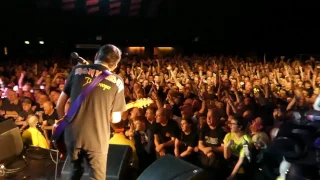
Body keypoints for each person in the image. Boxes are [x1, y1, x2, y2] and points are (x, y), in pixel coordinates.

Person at [56, 44, 126, 180]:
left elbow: (60, 105)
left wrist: (64, 124)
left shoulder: (77, 70)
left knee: (75, 171)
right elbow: (115, 119)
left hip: (72, 134)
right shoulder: (117, 81)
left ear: (96, 56)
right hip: (97, 138)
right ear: (115, 65)